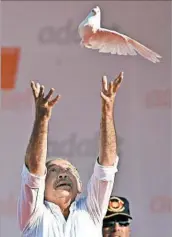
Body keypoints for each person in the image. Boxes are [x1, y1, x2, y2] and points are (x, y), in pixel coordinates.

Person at [17, 72, 123, 237]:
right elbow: (34, 170)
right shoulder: (33, 215)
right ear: (42, 186)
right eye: (53, 170)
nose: (62, 175)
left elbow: (107, 166)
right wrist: (42, 119)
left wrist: (107, 111)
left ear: (80, 185)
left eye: (69, 170)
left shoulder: (91, 211)